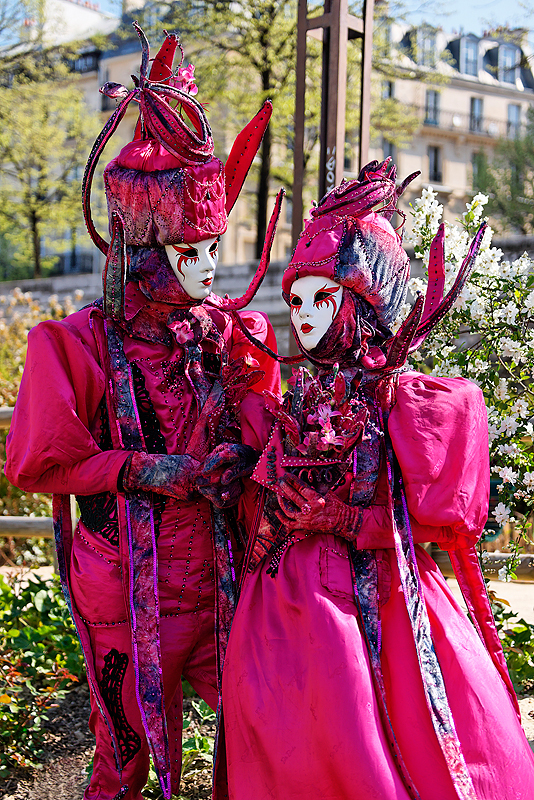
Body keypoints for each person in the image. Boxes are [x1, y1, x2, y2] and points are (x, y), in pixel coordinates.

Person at [5, 25, 281, 800]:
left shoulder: (236, 335)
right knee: (124, 761)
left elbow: (269, 434)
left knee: (256, 740)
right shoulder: (74, 346)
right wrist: (149, 469)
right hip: (126, 591)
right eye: (191, 251)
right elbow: (41, 462)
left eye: (214, 246)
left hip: (225, 581)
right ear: (148, 248)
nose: (211, 267)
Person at [219, 160, 534, 799]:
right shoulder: (296, 394)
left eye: (322, 299)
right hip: (280, 603)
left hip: (382, 599)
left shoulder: (402, 398)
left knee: (370, 728)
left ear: (362, 300)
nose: (303, 317)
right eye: (297, 301)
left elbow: (433, 525)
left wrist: (340, 519)